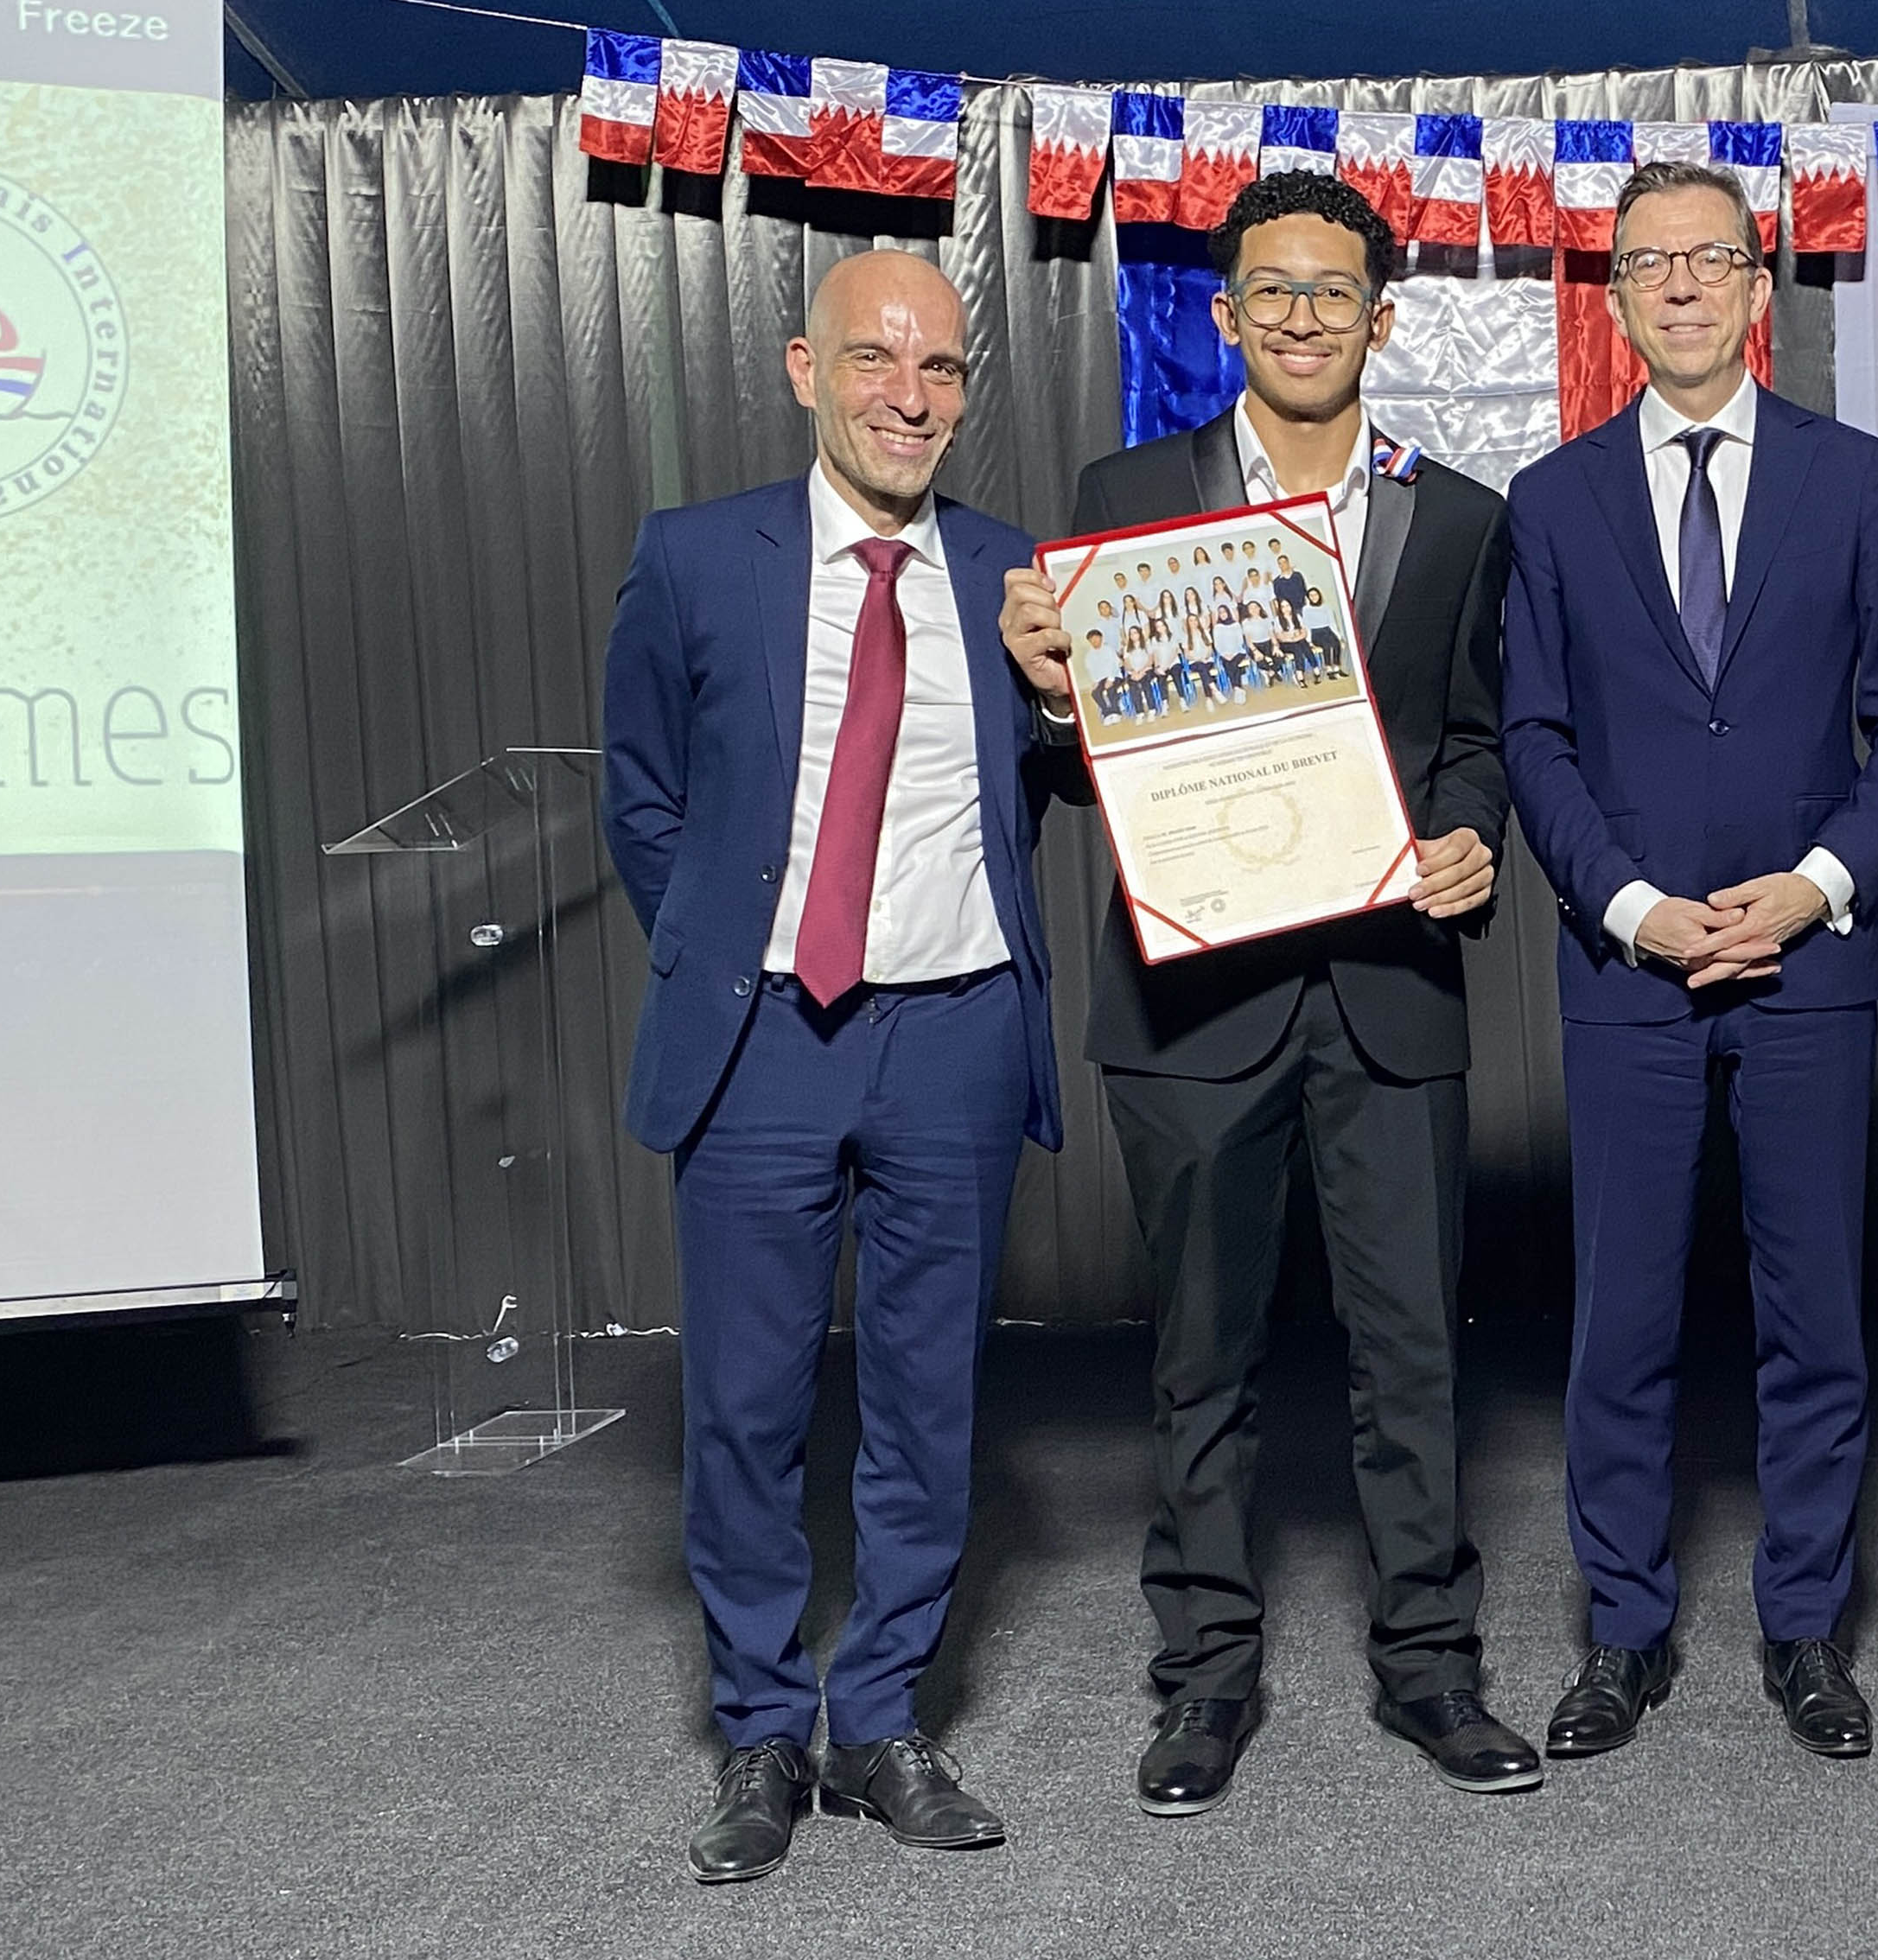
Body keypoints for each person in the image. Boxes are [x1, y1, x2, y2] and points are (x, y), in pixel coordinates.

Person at [998, 169, 1534, 1816]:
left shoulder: (1459, 516)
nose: (1305, 318)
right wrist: (1051, 691)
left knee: (1411, 1355)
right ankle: (1206, 1679)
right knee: (1202, 1358)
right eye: (1273, 293)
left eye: (1335, 292)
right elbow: (1081, 757)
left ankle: (1431, 1669)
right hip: (1194, 1000)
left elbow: (1474, 736)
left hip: (1388, 993)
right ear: (1227, 317)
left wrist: (1471, 836)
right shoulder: (1127, 495)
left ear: (1385, 318)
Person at [600, 250, 1087, 1882]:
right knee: (744, 1409)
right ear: (808, 371)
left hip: (955, 1034)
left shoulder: (1017, 572)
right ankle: (759, 1730)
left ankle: (879, 1720)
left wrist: (1060, 705)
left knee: (928, 1404)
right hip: (765, 1039)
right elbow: (644, 801)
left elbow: (1077, 777)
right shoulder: (694, 558)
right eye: (876, 359)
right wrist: (722, 963)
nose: (909, 395)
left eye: (940, 368)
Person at [1500, 161, 1878, 1764]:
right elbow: (1533, 739)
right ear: (1616, 301)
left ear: (1761, 287)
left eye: (1710, 259)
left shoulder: (1856, 479)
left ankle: (1808, 1629)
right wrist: (1628, 905)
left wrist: (1817, 890)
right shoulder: (1554, 501)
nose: (1682, 285)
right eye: (1650, 264)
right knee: (1620, 1322)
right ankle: (1622, 1636)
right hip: (1629, 967)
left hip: (1809, 965)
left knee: (1812, 1314)